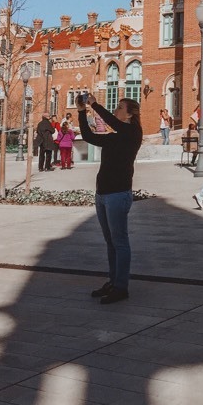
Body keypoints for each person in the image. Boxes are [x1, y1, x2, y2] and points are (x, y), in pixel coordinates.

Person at [77, 93, 143, 305]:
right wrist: (81, 112)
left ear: (130, 114)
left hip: (118, 195)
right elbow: (89, 137)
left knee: (120, 241)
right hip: (103, 194)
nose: (116, 110)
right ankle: (113, 281)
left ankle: (121, 287)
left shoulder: (133, 132)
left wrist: (95, 104)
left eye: (120, 107)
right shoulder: (116, 136)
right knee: (110, 242)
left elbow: (112, 121)